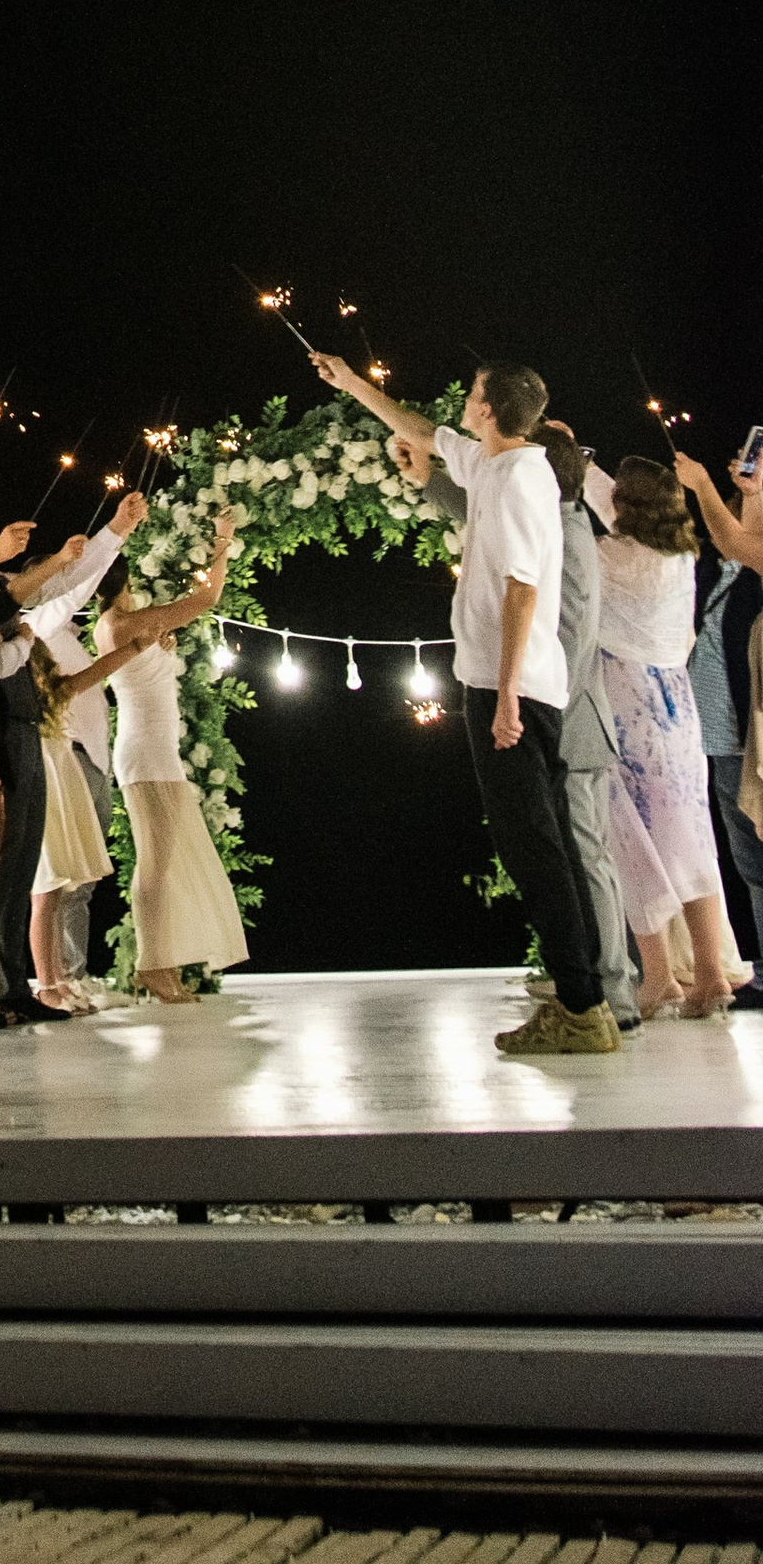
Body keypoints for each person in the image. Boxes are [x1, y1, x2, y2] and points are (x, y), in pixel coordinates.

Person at [312, 349, 620, 1056]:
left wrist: (505, 694)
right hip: (514, 680)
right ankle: (588, 999)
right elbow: (420, 429)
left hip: (506, 685)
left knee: (535, 847)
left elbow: (521, 587)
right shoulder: (500, 462)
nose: (463, 397)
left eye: (474, 391)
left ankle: (581, 1005)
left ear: (488, 407)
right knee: (549, 844)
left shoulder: (515, 479)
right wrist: (354, 383)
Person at [395, 417, 638, 1032]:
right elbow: (482, 512)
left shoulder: (573, 535)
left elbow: (573, 639)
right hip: (540, 703)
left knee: (575, 857)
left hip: (560, 713)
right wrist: (427, 479)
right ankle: (588, 994)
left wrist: (521, 699)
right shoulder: (544, 510)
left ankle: (607, 996)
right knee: (558, 853)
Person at [0, 503, 127, 1025]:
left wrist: (114, 533)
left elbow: (68, 587)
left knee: (18, 864)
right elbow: (36, 603)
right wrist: (18, 631)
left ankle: (12, 983)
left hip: (23, 727)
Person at [61, 509, 246, 998]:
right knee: (156, 861)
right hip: (146, 752)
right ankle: (153, 965)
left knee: (162, 858)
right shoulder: (125, 622)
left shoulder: (116, 623)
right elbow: (208, 596)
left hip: (152, 748)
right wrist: (221, 539)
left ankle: (163, 961)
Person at [586, 450, 740, 1018]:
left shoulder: (610, 556)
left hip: (628, 709)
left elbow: (599, 513)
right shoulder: (680, 556)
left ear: (624, 508)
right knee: (692, 840)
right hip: (679, 710)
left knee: (633, 840)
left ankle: (658, 977)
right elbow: (616, 502)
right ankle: (708, 973)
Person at [25, 489, 151, 1007]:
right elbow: (66, 687)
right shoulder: (40, 624)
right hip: (65, 753)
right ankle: (62, 976)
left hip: (89, 753)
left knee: (81, 875)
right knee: (62, 878)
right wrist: (113, 533)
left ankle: (70, 974)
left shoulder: (65, 635)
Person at [683, 438, 763, 1003]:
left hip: (752, 729)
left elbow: (741, 541)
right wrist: (749, 492)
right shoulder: (727, 570)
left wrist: (704, 484)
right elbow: (741, 542)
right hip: (721, 730)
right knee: (750, 856)